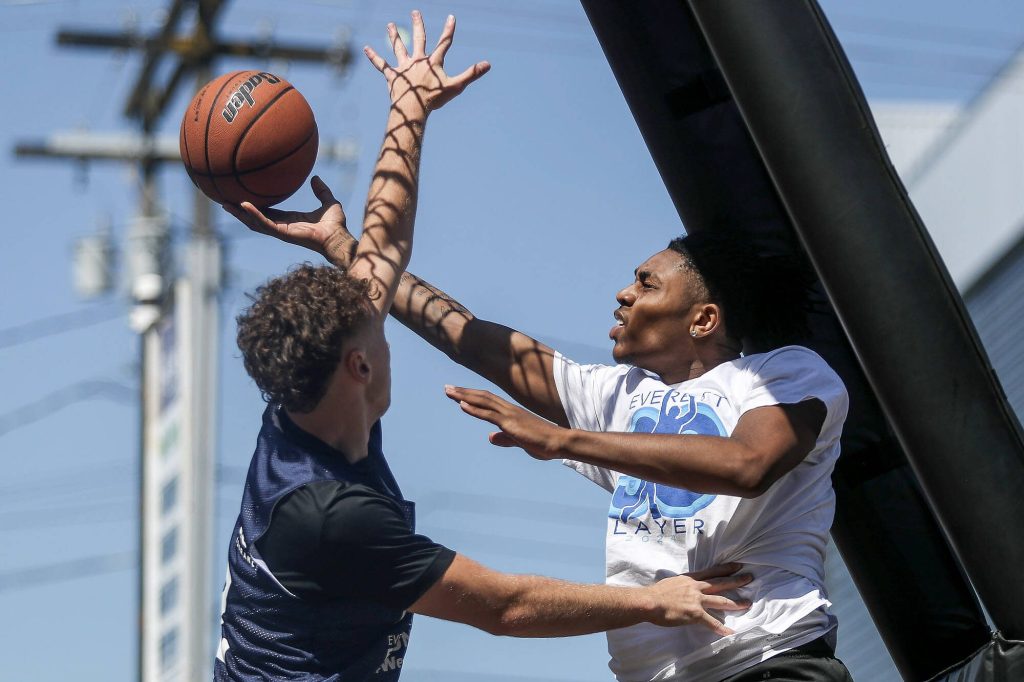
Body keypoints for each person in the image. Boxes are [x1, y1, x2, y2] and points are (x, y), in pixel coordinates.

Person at [216, 11, 752, 682]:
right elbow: (505, 606)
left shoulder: (308, 399)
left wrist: (409, 108)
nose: (385, 333)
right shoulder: (329, 516)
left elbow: (382, 248)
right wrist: (650, 601)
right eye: (377, 335)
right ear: (358, 365)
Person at [232, 165, 853, 680]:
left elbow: (749, 464)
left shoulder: (783, 375)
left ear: (703, 320)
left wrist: (561, 441)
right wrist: (344, 251)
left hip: (770, 663)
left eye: (645, 283)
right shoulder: (618, 397)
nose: (624, 294)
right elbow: (465, 334)